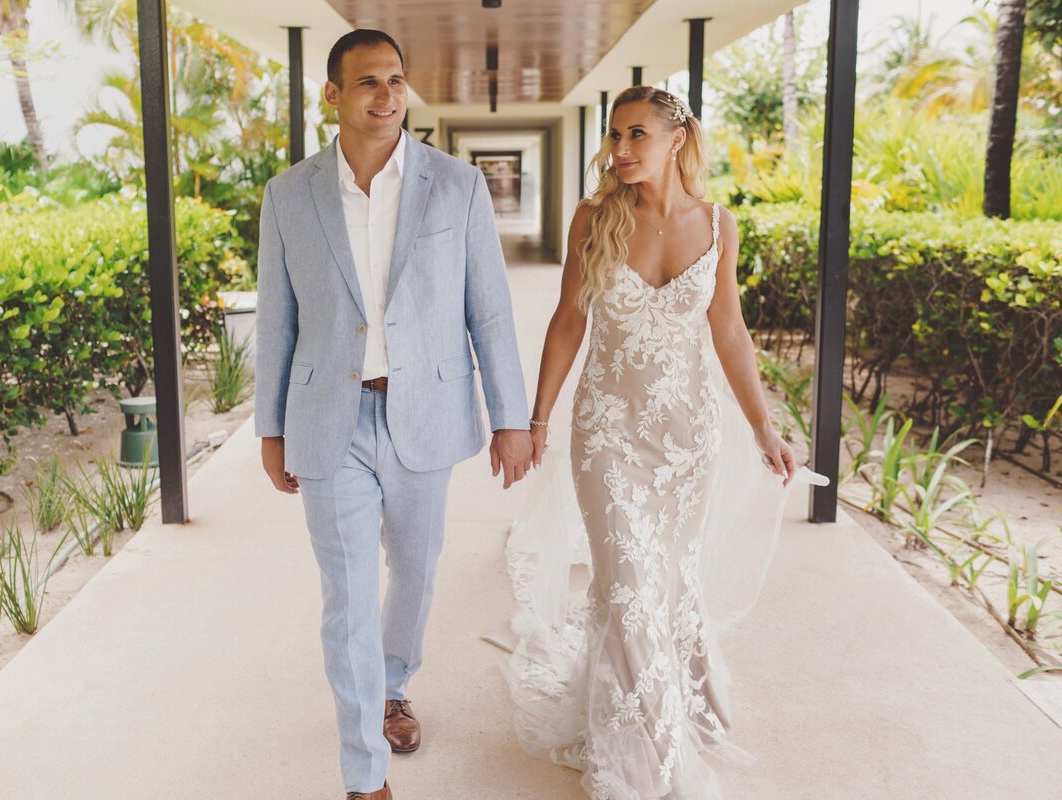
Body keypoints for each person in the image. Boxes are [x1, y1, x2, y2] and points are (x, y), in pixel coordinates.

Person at [503, 85, 823, 799]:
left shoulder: (718, 222)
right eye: (614, 135)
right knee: (624, 584)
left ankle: (666, 702)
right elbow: (566, 323)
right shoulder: (594, 217)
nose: (619, 150)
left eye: (636, 134)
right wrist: (539, 420)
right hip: (607, 433)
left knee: (667, 583)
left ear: (676, 138)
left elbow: (730, 331)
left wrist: (763, 426)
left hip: (686, 438)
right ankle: (650, 757)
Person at [253, 29, 533, 800]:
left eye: (396, 80)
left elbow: (491, 310)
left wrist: (512, 417)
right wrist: (269, 430)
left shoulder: (457, 186)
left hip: (426, 412)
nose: (386, 95)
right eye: (368, 81)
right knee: (345, 593)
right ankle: (363, 774)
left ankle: (393, 685)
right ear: (333, 95)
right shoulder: (288, 194)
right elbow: (278, 322)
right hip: (327, 420)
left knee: (414, 569)